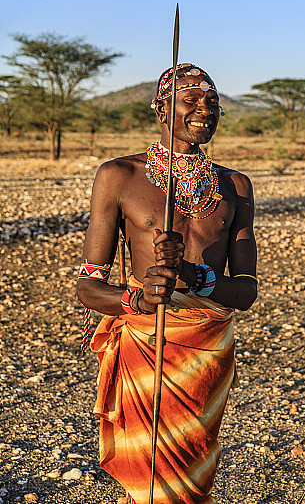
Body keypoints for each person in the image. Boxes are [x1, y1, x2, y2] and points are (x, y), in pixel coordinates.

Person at [76, 63, 257, 504]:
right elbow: (87, 286)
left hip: (206, 345)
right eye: (190, 101)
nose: (203, 110)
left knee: (192, 458)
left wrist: (198, 279)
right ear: (162, 110)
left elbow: (247, 289)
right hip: (146, 337)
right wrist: (137, 297)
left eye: (212, 102)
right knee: (149, 467)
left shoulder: (235, 186)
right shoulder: (120, 176)